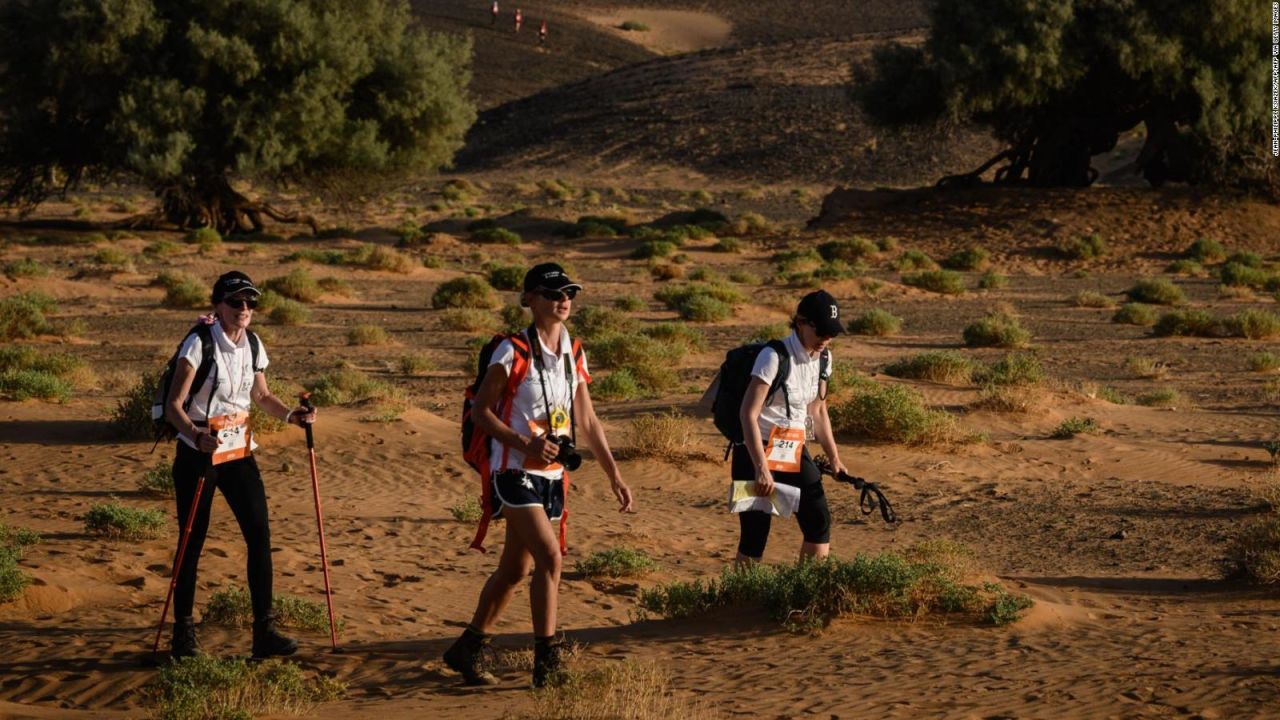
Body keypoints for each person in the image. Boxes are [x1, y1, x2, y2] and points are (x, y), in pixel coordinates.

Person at [444, 263, 634, 688]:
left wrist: (614, 473)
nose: (563, 300)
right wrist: (522, 442)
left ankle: (466, 648)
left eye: (568, 293)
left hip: (551, 474)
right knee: (551, 558)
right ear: (529, 299)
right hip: (511, 469)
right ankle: (546, 661)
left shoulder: (575, 352)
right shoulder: (511, 351)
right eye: (552, 294)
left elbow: (587, 419)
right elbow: (482, 413)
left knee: (514, 570)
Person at [163, 271, 317, 659]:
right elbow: (173, 407)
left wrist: (292, 417)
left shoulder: (253, 343)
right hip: (199, 453)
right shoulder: (198, 343)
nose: (244, 309)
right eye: (236, 302)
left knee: (259, 535)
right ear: (217, 305)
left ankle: (264, 631)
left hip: (238, 450)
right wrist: (196, 436)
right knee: (192, 542)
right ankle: (182, 636)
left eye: (250, 303)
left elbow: (261, 395)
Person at [734, 290, 849, 566]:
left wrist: (834, 459)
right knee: (755, 533)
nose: (826, 339)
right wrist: (761, 468)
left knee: (819, 520)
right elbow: (747, 414)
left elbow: (818, 410)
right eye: (820, 331)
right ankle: (739, 603)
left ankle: (807, 591)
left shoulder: (824, 359)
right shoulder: (772, 356)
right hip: (755, 450)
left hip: (793, 449)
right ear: (800, 323)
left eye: (831, 332)